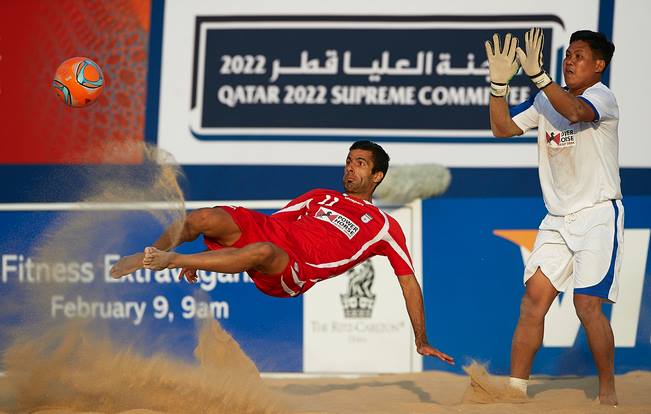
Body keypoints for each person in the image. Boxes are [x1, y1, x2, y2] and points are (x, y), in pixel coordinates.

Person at [111, 140, 454, 365]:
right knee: (203, 217)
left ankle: (174, 259)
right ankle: (149, 256)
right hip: (274, 235)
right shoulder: (320, 195)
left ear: (377, 176)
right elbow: (273, 222)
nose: (350, 168)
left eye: (361, 164)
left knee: (262, 250)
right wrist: (216, 245)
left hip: (295, 270)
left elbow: (409, 283)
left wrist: (421, 339)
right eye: (349, 161)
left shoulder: (384, 226)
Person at [485, 28, 621, 405]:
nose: (570, 61)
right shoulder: (546, 100)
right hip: (557, 219)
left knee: (586, 305)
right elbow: (502, 128)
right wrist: (499, 87)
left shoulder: (601, 97)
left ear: (599, 66)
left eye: (579, 56)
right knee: (533, 301)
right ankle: (516, 394)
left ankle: (607, 394)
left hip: (597, 214)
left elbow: (576, 112)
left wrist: (541, 79)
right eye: (568, 54)